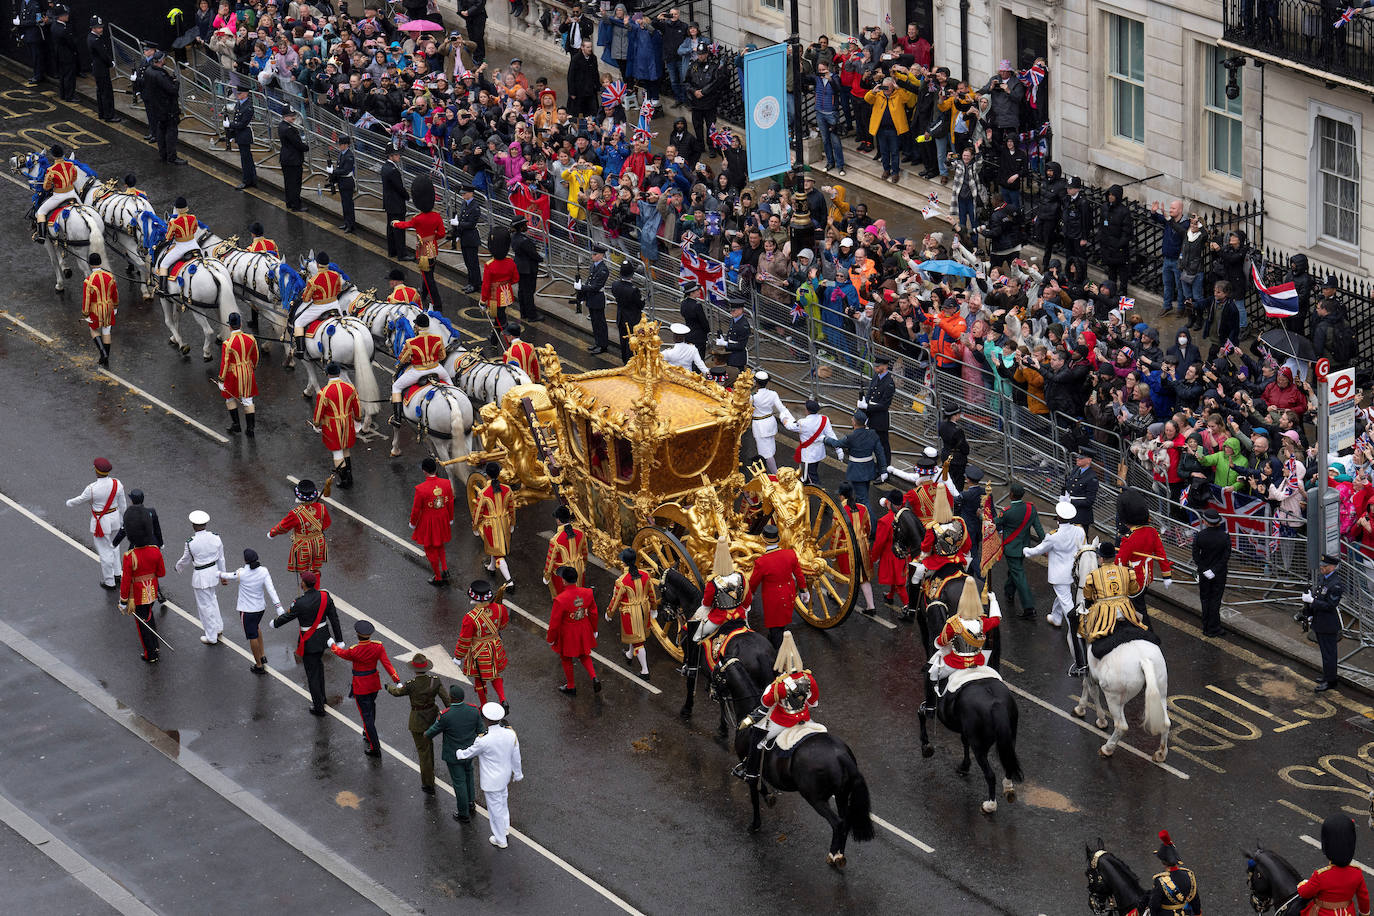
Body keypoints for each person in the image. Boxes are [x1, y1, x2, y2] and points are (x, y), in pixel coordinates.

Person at [734, 634, 819, 783]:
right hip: (804, 717)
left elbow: (765, 704)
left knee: (757, 739)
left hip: (783, 720)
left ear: (784, 664)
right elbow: (813, 701)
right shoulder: (809, 678)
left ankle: (751, 772)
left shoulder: (779, 685)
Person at [270, 570, 342, 716]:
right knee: (319, 669)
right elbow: (334, 618)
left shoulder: (300, 602)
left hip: (309, 642)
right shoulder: (325, 596)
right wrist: (339, 639)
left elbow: (287, 616)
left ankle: (319, 707)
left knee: (312, 675)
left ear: (303, 584)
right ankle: (322, 698)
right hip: (323, 639)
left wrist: (275, 623)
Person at [453, 702, 524, 849]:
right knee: (503, 803)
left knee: (495, 810)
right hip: (504, 777)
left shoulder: (483, 739)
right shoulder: (510, 733)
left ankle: (500, 839)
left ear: (485, 719)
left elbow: (468, 753)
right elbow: (516, 756)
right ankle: (505, 828)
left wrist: (458, 753)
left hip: (491, 781)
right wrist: (518, 773)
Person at [387, 654, 451, 794]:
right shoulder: (435, 681)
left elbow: (397, 692)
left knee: (423, 752)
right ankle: (431, 771)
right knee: (429, 746)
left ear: (414, 669)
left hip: (418, 720)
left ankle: (428, 783)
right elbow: (447, 700)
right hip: (432, 718)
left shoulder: (411, 684)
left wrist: (388, 687)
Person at [424, 684, 486, 821]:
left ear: (452, 698)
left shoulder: (446, 715)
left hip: (453, 755)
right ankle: (471, 803)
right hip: (470, 752)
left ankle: (463, 813)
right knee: (469, 777)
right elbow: (481, 732)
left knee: (459, 783)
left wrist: (425, 734)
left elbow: (431, 732)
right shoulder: (474, 710)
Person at [220, 548, 284, 673]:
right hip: (260, 608)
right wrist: (278, 607)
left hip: (247, 611)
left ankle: (259, 665)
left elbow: (228, 575)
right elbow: (271, 590)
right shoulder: (264, 571)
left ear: (245, 560)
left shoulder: (241, 573)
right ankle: (262, 654)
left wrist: (217, 574)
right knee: (256, 627)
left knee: (252, 636)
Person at [67, 457, 127, 589]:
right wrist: (123, 520)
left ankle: (109, 581)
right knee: (115, 547)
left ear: (96, 471)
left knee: (105, 552)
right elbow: (123, 505)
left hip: (101, 522)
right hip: (115, 519)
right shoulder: (118, 484)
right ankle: (118, 574)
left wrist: (69, 503)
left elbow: (81, 499)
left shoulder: (92, 488)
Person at [1023, 501, 1084, 628]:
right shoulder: (1079, 530)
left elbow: (1038, 550)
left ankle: (1075, 629)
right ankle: (1056, 617)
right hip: (1074, 571)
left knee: (1067, 602)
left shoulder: (1053, 536)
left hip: (1060, 574)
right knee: (1062, 595)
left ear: (1058, 517)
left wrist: (1025, 550)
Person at [746, 524, 807, 650]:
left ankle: (779, 657)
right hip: (789, 595)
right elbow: (799, 575)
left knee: (776, 631)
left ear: (763, 540)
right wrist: (803, 590)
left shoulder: (761, 562)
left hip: (773, 600)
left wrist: (749, 596)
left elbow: (753, 583)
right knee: (781, 624)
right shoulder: (790, 554)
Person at [1295, 814, 1369, 915]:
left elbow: (1304, 893)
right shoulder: (1357, 873)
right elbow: (1363, 899)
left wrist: (1302, 884)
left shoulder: (1320, 876)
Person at [1117, 489, 1173, 620]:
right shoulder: (1152, 531)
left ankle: (1147, 633)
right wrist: (1166, 574)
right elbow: (1161, 555)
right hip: (1147, 577)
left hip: (1134, 580)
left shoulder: (1129, 538)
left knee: (1137, 610)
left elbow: (1119, 563)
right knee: (1138, 605)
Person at [454, 580, 511, 708]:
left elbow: (465, 640)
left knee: (479, 678)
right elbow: (503, 626)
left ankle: (484, 705)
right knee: (495, 674)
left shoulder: (470, 617)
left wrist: (458, 656)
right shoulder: (500, 608)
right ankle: (502, 699)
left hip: (479, 650)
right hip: (495, 646)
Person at [389, 314, 453, 428]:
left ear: (417, 326)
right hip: (437, 369)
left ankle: (397, 418)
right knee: (451, 384)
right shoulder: (438, 339)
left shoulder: (410, 342)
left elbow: (402, 359)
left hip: (418, 371)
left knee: (396, 387)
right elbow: (442, 356)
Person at [393, 176, 446, 310]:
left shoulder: (418, 218)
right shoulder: (437, 216)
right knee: (429, 273)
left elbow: (406, 224)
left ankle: (437, 302)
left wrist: (395, 223)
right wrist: (432, 237)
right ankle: (423, 291)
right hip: (433, 249)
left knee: (429, 279)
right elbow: (442, 234)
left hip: (423, 252)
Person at [547, 566, 601, 695]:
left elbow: (554, 623)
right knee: (584, 655)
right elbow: (593, 612)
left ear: (564, 581)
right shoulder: (587, 592)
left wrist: (550, 639)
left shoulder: (560, 599)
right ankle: (594, 677)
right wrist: (594, 629)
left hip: (568, 633)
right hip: (583, 628)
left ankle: (571, 686)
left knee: (566, 658)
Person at [175, 509, 226, 645]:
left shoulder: (191, 542)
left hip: (201, 576)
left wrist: (177, 567)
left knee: (205, 606)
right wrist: (223, 574)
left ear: (193, 525)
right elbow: (221, 558)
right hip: (214, 573)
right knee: (213, 600)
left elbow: (185, 559)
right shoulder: (216, 537)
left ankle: (211, 636)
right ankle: (218, 627)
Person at [268, 478, 332, 586]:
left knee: (305, 573)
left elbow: (282, 527)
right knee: (315, 570)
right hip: (318, 543)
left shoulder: (296, 513)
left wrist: (272, 533)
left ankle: (309, 594)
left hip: (304, 546)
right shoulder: (321, 508)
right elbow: (326, 525)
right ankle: (315, 591)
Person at [996, 482, 1043, 620]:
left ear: (1011, 495)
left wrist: (981, 515)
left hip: (1011, 549)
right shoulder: (1031, 509)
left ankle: (1029, 608)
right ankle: (1009, 591)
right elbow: (1039, 530)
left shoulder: (1007, 512)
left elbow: (992, 522)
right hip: (1024, 547)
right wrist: (1047, 545)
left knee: (1019, 576)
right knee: (1014, 572)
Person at [606, 547, 656, 680]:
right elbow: (652, 594)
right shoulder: (645, 575)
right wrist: (654, 608)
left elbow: (615, 600)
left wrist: (609, 613)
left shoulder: (621, 581)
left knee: (637, 641)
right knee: (637, 636)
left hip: (630, 613)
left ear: (624, 563)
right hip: (644, 609)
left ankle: (645, 670)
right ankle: (629, 654)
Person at [311, 363, 362, 488]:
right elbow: (357, 408)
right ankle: (349, 475)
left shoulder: (323, 392)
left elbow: (318, 413)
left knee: (337, 453)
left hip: (332, 426)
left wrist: (316, 425)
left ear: (327, 374)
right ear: (339, 373)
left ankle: (345, 480)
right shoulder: (350, 388)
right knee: (346, 449)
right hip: (348, 422)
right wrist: (357, 420)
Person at [824, 411, 887, 511]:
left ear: (854, 423)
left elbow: (836, 443)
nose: (851, 420)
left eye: (852, 419)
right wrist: (883, 470)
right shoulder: (872, 434)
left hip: (857, 472)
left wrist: (825, 439)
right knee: (862, 495)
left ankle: (870, 523)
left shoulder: (851, 438)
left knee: (863, 500)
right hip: (869, 469)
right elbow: (880, 453)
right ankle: (859, 517)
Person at [1303, 554, 1345, 692]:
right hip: (1320, 622)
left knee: (1329, 655)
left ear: (1332, 567)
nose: (1322, 568)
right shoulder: (1324, 578)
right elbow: (1318, 595)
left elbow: (1330, 605)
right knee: (1324, 653)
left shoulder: (1336, 584)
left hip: (1328, 625)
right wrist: (1310, 614)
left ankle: (1331, 681)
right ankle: (1327, 676)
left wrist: (1312, 601)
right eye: (1321, 565)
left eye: (1325, 566)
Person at [409, 457, 454, 586]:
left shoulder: (421, 489)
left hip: (428, 522)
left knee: (430, 549)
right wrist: (450, 518)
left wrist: (413, 523)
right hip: (443, 518)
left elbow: (416, 509)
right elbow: (450, 503)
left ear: (424, 471)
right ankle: (445, 569)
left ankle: (438, 577)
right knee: (440, 544)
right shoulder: (446, 483)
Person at [120, 539, 166, 664]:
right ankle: (155, 645)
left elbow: (125, 580)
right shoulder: (155, 551)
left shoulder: (130, 556)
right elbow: (161, 573)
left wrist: (123, 600)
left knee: (142, 623)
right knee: (149, 616)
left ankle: (150, 654)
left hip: (138, 595)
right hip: (152, 591)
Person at [292, 251, 345, 357]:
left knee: (298, 322)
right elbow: (339, 290)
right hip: (335, 305)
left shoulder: (313, 280)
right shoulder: (336, 275)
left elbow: (306, 299)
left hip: (319, 307)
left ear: (317, 264)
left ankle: (300, 350)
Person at [473, 463, 515, 588]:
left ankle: (509, 581)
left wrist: (475, 526)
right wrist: (512, 522)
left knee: (498, 554)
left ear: (487, 475)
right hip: (504, 523)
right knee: (496, 548)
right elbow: (512, 508)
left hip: (490, 526)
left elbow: (478, 512)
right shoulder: (507, 489)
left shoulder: (483, 493)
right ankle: (491, 567)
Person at [217, 312, 258, 436]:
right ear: (240, 324)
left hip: (233, 375)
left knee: (229, 398)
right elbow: (255, 357)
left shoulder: (227, 343)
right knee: (248, 400)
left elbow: (224, 363)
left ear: (230, 326)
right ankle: (250, 428)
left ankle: (236, 425)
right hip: (247, 372)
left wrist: (221, 379)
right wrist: (252, 368)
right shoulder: (251, 338)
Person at [1192, 508, 1230, 638]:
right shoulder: (1225, 537)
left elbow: (1195, 555)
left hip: (1204, 574)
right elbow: (1225, 557)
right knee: (1215, 600)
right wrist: (1214, 571)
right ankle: (1214, 628)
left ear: (1206, 522)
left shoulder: (1200, 536)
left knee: (1205, 599)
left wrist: (1204, 570)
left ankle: (1206, 626)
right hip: (1219, 574)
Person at [749, 371, 796, 474]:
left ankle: (776, 475)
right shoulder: (773, 394)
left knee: (765, 453)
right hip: (770, 422)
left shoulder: (753, 396)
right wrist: (792, 420)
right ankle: (766, 472)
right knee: (770, 449)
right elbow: (782, 409)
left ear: (756, 383)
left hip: (760, 425)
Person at [1148, 830, 1203, 915]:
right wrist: (1197, 913)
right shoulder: (1189, 875)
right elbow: (1195, 900)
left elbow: (1154, 906)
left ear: (1163, 862)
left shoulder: (1160, 881)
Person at [143, 52, 184, 165]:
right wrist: (176, 83)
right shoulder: (160, 75)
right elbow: (172, 90)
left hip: (156, 107)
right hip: (167, 108)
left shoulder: (148, 71)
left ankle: (163, 154)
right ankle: (172, 157)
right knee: (171, 132)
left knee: (160, 130)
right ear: (161, 61)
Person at [480, 232, 519, 347]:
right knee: (499, 317)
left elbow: (486, 286)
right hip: (506, 295)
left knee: (503, 322)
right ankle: (493, 339)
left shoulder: (490, 265)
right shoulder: (510, 261)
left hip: (494, 298)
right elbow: (515, 278)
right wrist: (505, 284)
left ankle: (511, 345)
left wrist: (483, 301)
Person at [787, 399, 839, 485]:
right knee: (811, 472)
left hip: (808, 455)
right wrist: (839, 450)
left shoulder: (802, 423)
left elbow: (789, 426)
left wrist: (784, 416)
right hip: (819, 452)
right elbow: (832, 435)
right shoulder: (824, 419)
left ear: (807, 410)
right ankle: (807, 488)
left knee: (812, 478)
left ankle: (821, 496)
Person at [80, 253, 119, 366]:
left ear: (90, 264)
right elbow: (115, 294)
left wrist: (85, 314)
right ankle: (105, 357)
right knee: (106, 331)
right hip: (108, 307)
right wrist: (115, 306)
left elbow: (87, 299)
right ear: (100, 262)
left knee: (94, 330)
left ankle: (103, 353)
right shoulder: (110, 276)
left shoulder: (88, 281)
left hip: (95, 310)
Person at [542, 505, 587, 598]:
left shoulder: (555, 540)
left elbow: (550, 561)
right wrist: (583, 566)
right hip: (578, 569)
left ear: (558, 520)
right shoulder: (581, 533)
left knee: (564, 598)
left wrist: (546, 576)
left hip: (563, 574)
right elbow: (585, 553)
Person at [860, 356, 897, 470]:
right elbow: (870, 391)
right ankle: (878, 465)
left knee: (882, 445)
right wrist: (863, 403)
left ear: (885, 367)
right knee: (874, 444)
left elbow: (884, 405)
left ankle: (884, 468)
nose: (876, 367)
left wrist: (868, 406)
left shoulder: (889, 383)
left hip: (880, 418)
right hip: (871, 416)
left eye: (878, 365)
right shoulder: (876, 376)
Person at [579, 244, 611, 355]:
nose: (593, 256)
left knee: (600, 323)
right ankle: (597, 343)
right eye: (592, 253)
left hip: (597, 298)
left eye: (595, 254)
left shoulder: (603, 270)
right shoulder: (593, 266)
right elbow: (590, 281)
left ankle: (603, 345)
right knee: (594, 322)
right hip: (592, 297)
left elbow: (596, 286)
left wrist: (582, 287)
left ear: (601, 256)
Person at [87, 16, 120, 122]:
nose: (101, 29)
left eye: (101, 27)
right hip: (101, 69)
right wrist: (111, 63)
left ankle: (102, 113)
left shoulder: (92, 37)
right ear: (93, 28)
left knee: (101, 92)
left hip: (98, 69)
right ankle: (109, 115)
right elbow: (103, 54)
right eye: (98, 27)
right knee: (106, 93)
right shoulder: (95, 40)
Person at [511, 218, 544, 323]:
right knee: (528, 292)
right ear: (521, 227)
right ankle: (532, 315)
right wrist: (540, 259)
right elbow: (533, 254)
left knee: (522, 291)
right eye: (525, 224)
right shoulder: (523, 241)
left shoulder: (515, 237)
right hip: (528, 269)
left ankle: (524, 312)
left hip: (520, 267)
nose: (527, 226)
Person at [611, 261, 644, 362]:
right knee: (632, 342)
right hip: (632, 319)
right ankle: (630, 363)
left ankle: (624, 360)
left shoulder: (615, 285)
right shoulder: (634, 290)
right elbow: (641, 305)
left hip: (621, 317)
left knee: (623, 340)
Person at [453, 186, 483, 294]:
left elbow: (471, 224)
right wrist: (457, 233)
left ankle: (476, 284)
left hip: (471, 238)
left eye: (464, 193)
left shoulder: (475, 207)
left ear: (470, 193)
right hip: (464, 237)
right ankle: (470, 282)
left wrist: (459, 224)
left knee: (473, 263)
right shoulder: (465, 204)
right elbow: (462, 217)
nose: (463, 195)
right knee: (467, 262)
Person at [1064, 446, 1100, 533]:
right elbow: (1069, 484)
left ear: (1089, 460)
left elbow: (1089, 501)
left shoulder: (1092, 478)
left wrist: (1071, 501)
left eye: (1081, 458)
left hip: (1081, 515)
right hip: (1069, 511)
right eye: (1077, 457)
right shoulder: (1076, 469)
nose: (1077, 459)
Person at [381, 148, 409, 258]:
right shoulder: (393, 170)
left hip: (389, 203)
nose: (399, 157)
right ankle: (401, 254)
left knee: (391, 228)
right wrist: (407, 196)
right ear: (390, 156)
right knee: (399, 230)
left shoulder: (385, 167)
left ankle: (392, 251)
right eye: (396, 155)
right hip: (397, 204)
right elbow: (399, 188)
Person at [227, 83, 256, 189]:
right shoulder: (239, 103)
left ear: (246, 94)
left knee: (246, 159)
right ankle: (251, 179)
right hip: (240, 134)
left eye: (240, 93)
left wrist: (230, 124)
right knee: (246, 158)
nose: (238, 95)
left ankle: (247, 180)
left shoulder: (248, 107)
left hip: (245, 135)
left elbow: (242, 124)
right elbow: (236, 118)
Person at [278, 109, 307, 211]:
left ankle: (289, 202)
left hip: (286, 158)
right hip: (293, 159)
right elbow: (297, 143)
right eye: (291, 116)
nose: (293, 118)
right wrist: (305, 147)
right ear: (285, 116)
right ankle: (296, 205)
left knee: (288, 182)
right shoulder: (288, 129)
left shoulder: (282, 126)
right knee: (295, 183)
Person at [937, 404, 970, 489]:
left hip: (945, 454)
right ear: (954, 416)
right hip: (957, 460)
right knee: (958, 483)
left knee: (947, 480)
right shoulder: (958, 431)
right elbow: (965, 449)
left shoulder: (942, 425)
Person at [328, 135, 356, 232]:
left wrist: (333, 171)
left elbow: (345, 170)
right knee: (344, 204)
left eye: (341, 144)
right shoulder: (342, 153)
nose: (339, 146)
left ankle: (351, 225)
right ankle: (346, 223)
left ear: (346, 145)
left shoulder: (349, 156)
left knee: (348, 204)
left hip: (347, 182)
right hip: (342, 181)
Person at [717, 297, 751, 370]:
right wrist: (724, 340)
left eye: (733, 311)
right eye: (731, 311)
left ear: (740, 310)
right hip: (730, 354)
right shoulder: (734, 319)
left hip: (738, 358)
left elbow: (741, 346)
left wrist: (725, 344)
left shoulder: (743, 325)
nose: (731, 312)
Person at [52, 5, 77, 102]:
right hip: (67, 55)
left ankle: (63, 94)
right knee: (69, 77)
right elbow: (70, 43)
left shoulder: (54, 26)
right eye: (65, 14)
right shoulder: (63, 30)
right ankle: (69, 96)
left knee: (62, 75)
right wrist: (74, 51)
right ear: (60, 16)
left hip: (59, 54)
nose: (67, 16)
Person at [18, 0, 47, 86]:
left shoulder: (35, 4)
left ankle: (38, 76)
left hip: (34, 34)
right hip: (27, 33)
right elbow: (22, 15)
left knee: (36, 56)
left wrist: (22, 23)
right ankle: (35, 74)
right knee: (32, 55)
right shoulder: (24, 2)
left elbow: (37, 21)